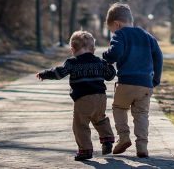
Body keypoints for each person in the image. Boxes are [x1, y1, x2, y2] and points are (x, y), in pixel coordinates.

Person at [36, 30, 116, 161]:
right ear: (93, 50)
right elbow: (110, 76)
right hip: (101, 98)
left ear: (72, 49)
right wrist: (110, 65)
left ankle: (85, 150)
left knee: (80, 125)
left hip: (83, 99)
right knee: (100, 119)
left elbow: (59, 73)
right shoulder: (99, 61)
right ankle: (107, 140)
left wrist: (45, 74)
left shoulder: (72, 62)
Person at [102, 2, 163, 158]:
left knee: (119, 108)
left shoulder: (120, 34)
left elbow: (115, 53)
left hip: (126, 82)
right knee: (141, 114)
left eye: (111, 30)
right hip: (145, 84)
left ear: (117, 24)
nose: (112, 32)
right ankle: (142, 146)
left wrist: (106, 56)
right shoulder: (147, 36)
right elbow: (159, 56)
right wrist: (155, 78)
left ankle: (123, 137)